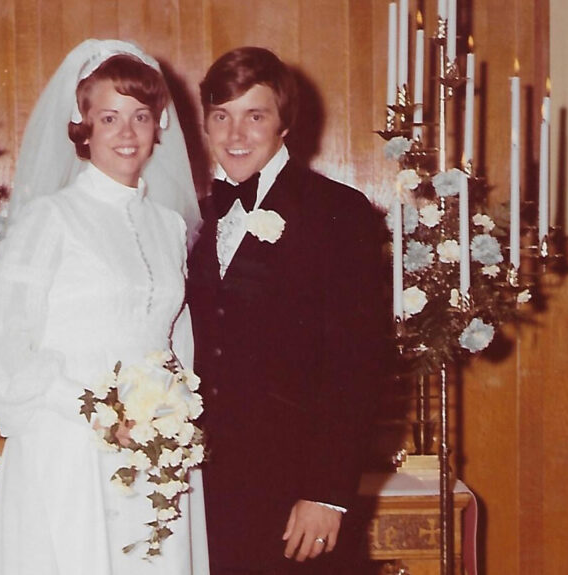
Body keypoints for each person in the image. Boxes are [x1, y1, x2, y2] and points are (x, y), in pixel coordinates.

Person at [0, 39, 208, 575]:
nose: (127, 133)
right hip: (70, 444)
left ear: (158, 125)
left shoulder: (167, 226)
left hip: (154, 448)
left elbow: (175, 339)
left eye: (140, 116)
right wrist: (100, 412)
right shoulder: (50, 219)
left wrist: (171, 413)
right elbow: (1, 344)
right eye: (109, 117)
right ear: (84, 127)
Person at [186, 47, 391, 574]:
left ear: (284, 124)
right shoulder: (195, 217)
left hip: (298, 492)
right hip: (204, 492)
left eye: (255, 116)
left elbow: (358, 365)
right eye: (221, 116)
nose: (235, 134)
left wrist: (327, 493)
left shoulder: (338, 212)